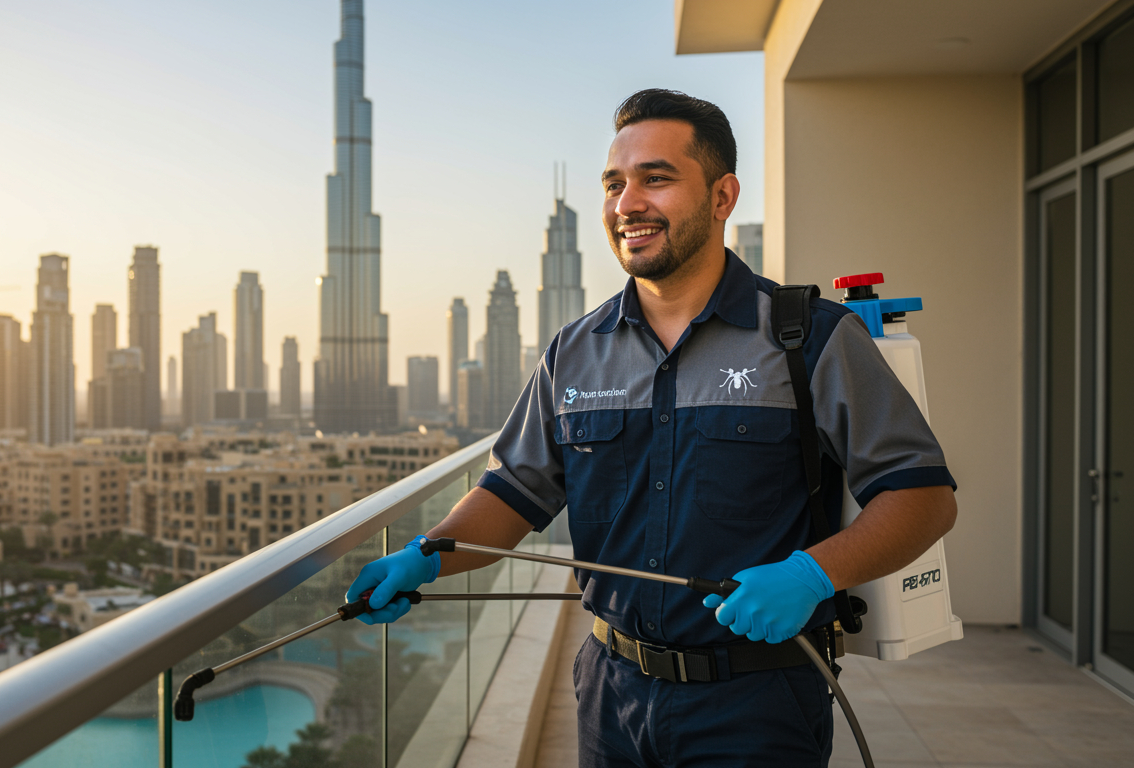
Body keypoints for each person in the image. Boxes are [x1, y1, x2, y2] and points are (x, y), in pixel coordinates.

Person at [345, 89, 957, 767]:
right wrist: (428, 554)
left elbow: (923, 497)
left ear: (723, 198)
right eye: (615, 183)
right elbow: (513, 492)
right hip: (611, 695)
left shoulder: (810, 338)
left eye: (656, 179)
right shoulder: (572, 352)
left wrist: (812, 573)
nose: (627, 203)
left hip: (759, 703)